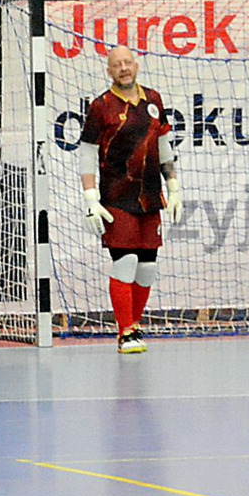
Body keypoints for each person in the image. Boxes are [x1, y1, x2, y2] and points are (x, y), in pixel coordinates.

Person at [79, 45, 183, 354]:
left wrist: (174, 187)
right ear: (109, 71)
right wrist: (91, 199)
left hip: (150, 198)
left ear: (136, 66)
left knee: (147, 268)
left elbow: (163, 146)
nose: (123, 68)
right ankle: (125, 332)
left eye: (127, 62)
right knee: (125, 263)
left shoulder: (153, 100)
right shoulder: (101, 107)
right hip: (116, 198)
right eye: (116, 64)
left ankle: (134, 325)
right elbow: (87, 154)